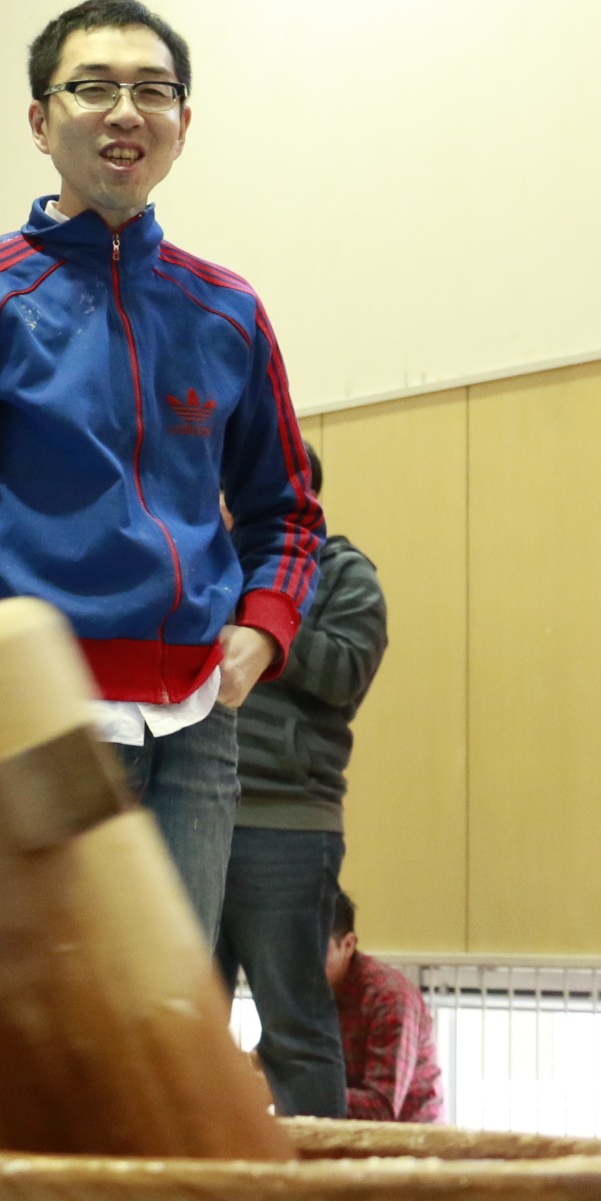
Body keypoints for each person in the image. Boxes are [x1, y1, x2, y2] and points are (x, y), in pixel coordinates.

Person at [0, 0, 321, 948]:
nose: (127, 112)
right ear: (41, 121)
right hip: (26, 724)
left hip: (197, 726)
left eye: (154, 91)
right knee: (32, 1023)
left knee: (164, 1024)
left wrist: (262, 632)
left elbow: (288, 512)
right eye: (94, 88)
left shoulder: (229, 308)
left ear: (182, 126)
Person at [217, 441, 388, 1117]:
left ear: (300, 498)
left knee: (294, 1028)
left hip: (288, 820)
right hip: (193, 814)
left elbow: (347, 670)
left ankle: (320, 1199)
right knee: (183, 1022)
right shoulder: (205, 565)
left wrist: (265, 630)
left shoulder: (345, 573)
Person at [327, 889, 443, 1124]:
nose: (301, 963)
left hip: (410, 1149)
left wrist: (293, 1092)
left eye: (316, 950)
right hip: (342, 1143)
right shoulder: (302, 991)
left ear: (348, 945)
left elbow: (381, 1109)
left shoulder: (390, 998)